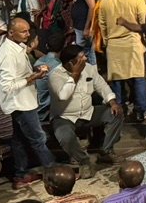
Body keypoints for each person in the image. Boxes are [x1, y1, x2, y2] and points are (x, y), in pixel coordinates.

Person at [0, 16, 56, 187]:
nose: (27, 34)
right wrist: (32, 78)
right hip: (20, 102)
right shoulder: (7, 54)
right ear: (10, 33)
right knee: (38, 138)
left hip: (24, 100)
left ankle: (20, 174)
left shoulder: (17, 48)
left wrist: (34, 72)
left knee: (19, 139)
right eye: (23, 32)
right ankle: (53, 171)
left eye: (28, 31)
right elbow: (8, 85)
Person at [49, 41, 125, 176]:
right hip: (66, 116)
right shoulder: (55, 75)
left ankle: (106, 151)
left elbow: (101, 85)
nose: (86, 58)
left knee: (116, 113)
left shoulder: (89, 68)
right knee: (64, 136)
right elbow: (63, 96)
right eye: (82, 57)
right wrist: (74, 76)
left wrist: (112, 102)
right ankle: (83, 160)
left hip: (88, 112)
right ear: (72, 63)